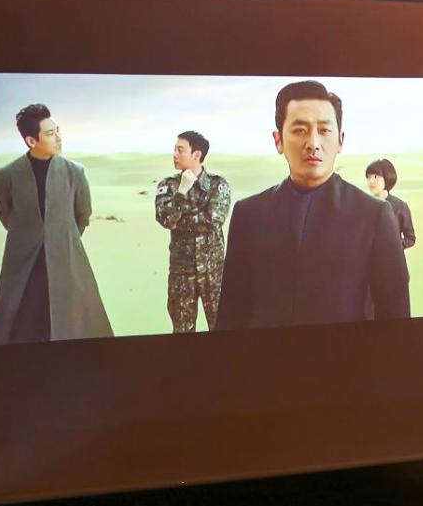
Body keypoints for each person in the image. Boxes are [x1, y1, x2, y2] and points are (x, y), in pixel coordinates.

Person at [216, 80, 409, 330]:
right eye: (299, 130)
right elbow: (231, 315)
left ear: (340, 140)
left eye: (324, 130)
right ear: (278, 140)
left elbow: (395, 318)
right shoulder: (248, 214)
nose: (313, 143)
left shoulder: (374, 215)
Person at [0, 103, 112, 345]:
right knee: (17, 330)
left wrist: (60, 238)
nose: (58, 137)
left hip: (66, 261)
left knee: (74, 327)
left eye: (58, 131)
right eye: (50, 133)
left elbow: (82, 215)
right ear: (31, 141)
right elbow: (7, 216)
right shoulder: (6, 175)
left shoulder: (75, 172)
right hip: (23, 265)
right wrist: (30, 237)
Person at [154, 130, 232, 332]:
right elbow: (165, 219)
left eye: (180, 150)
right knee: (182, 332)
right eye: (174, 149)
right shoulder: (168, 185)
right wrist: (181, 192)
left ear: (197, 154)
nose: (174, 154)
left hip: (213, 274)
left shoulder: (218, 184)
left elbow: (214, 220)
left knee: (222, 328)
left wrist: (180, 220)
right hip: (182, 274)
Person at [364, 158, 415, 250]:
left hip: (393, 258)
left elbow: (410, 238)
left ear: (387, 177)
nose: (371, 181)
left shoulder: (400, 206)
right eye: (368, 177)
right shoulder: (364, 205)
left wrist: (392, 247)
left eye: (375, 177)